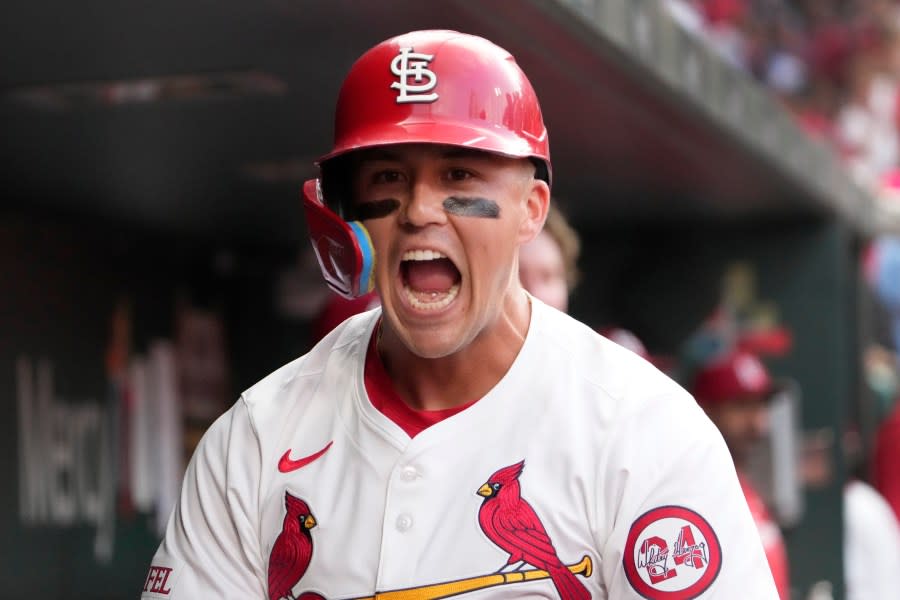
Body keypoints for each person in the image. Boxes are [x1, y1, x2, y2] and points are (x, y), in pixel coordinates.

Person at [142, 30, 779, 599]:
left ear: (532, 209)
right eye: (387, 177)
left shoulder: (643, 431)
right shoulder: (256, 438)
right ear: (346, 215)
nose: (420, 209)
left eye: (459, 176)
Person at [691, 350, 790, 600]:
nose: (757, 423)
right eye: (741, 406)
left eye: (760, 406)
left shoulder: (743, 486)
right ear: (706, 409)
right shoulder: (692, 492)